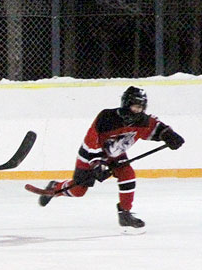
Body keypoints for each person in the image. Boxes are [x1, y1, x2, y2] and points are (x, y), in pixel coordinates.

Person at [37, 86, 184, 230]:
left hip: (115, 155)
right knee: (78, 190)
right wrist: (97, 164)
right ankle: (54, 187)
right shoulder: (107, 117)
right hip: (90, 155)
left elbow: (156, 127)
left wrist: (168, 135)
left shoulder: (143, 121)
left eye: (140, 107)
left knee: (127, 174)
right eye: (135, 106)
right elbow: (92, 141)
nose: (137, 110)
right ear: (126, 104)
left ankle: (125, 214)